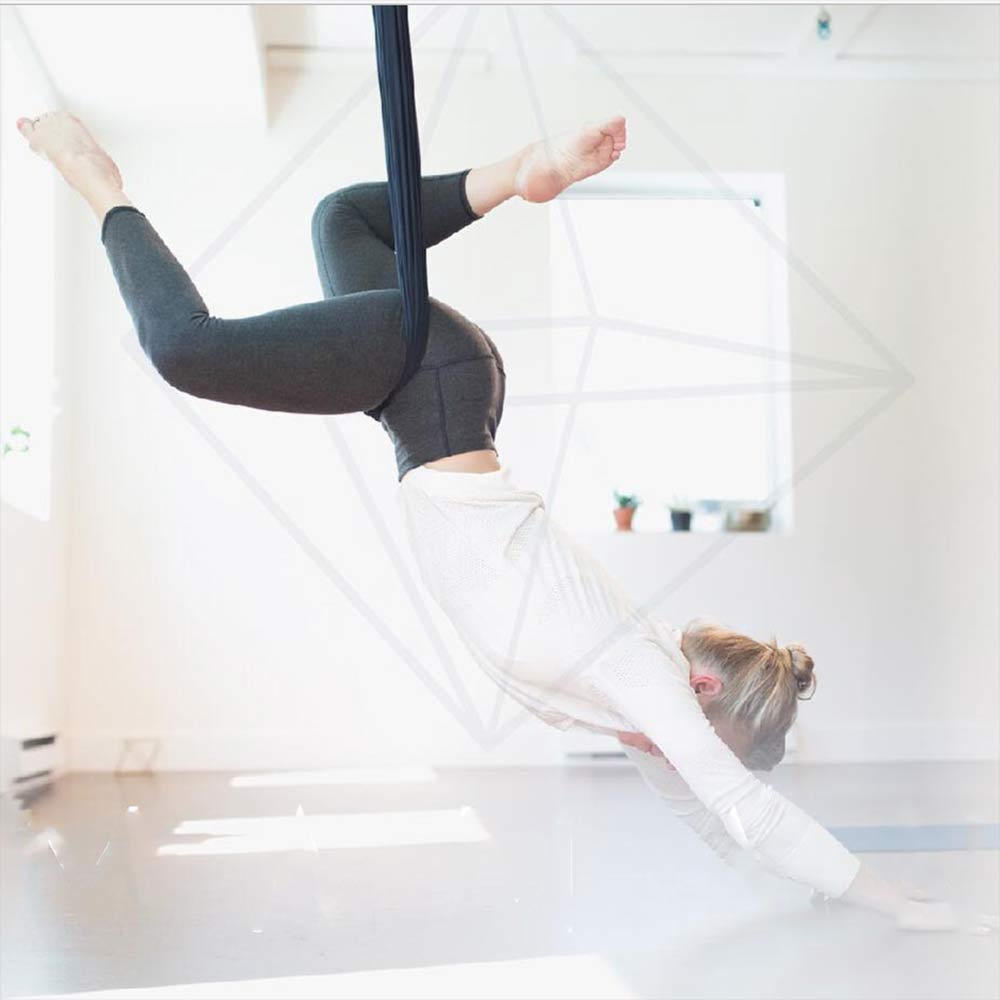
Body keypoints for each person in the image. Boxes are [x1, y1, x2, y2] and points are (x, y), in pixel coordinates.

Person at [17, 109, 960, 931]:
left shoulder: (637, 699)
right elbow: (743, 807)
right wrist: (894, 900)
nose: (676, 757)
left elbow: (709, 818)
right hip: (428, 386)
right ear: (705, 694)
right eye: (704, 746)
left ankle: (518, 175)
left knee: (340, 221)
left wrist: (800, 899)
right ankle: (101, 186)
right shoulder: (645, 674)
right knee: (187, 350)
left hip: (435, 396)